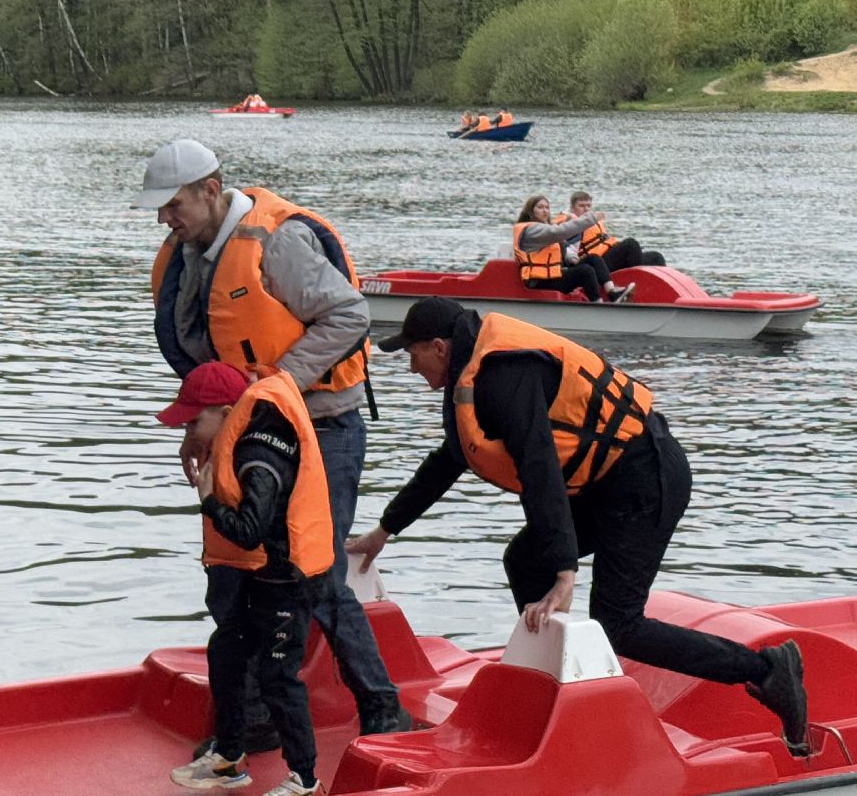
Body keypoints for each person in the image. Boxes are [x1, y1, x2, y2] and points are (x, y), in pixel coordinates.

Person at [345, 297, 811, 757]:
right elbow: (450, 460)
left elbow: (540, 469)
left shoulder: (503, 378)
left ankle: (765, 670)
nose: (412, 367)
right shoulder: (471, 375)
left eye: (412, 354)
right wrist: (385, 530)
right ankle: (555, 687)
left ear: (439, 347)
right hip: (607, 481)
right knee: (525, 559)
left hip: (647, 476)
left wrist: (564, 572)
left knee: (619, 622)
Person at [136, 138, 409, 740]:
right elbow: (207, 356)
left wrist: (278, 385)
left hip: (323, 427)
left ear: (211, 191)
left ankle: (383, 708)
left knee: (317, 571)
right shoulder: (187, 251)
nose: (164, 219)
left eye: (174, 205)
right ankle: (256, 717)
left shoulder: (278, 242)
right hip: (246, 428)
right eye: (159, 208)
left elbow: (350, 315)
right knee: (236, 570)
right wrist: (200, 424)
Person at [160, 362, 330, 796]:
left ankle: (305, 780)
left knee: (277, 676)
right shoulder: (237, 427)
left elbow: (249, 530)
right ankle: (229, 758)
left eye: (193, 422)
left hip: (291, 578)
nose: (189, 430)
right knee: (227, 650)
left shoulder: (260, 452)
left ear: (223, 412)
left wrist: (209, 502)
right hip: (263, 574)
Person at [514, 194, 633, 304]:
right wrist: (591, 218)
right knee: (585, 271)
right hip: (539, 280)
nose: (545, 210)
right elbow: (560, 232)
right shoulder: (531, 231)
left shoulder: (546, 228)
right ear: (530, 211)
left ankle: (612, 292)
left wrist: (572, 258)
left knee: (593, 258)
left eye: (547, 207)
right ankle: (598, 304)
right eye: (540, 207)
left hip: (553, 274)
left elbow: (561, 249)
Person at [559, 191, 666, 270]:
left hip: (610, 254)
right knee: (630, 244)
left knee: (656, 257)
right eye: (581, 206)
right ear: (572, 208)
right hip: (597, 262)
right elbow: (566, 250)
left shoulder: (594, 221)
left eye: (588, 206)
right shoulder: (570, 224)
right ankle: (638, 280)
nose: (586, 209)